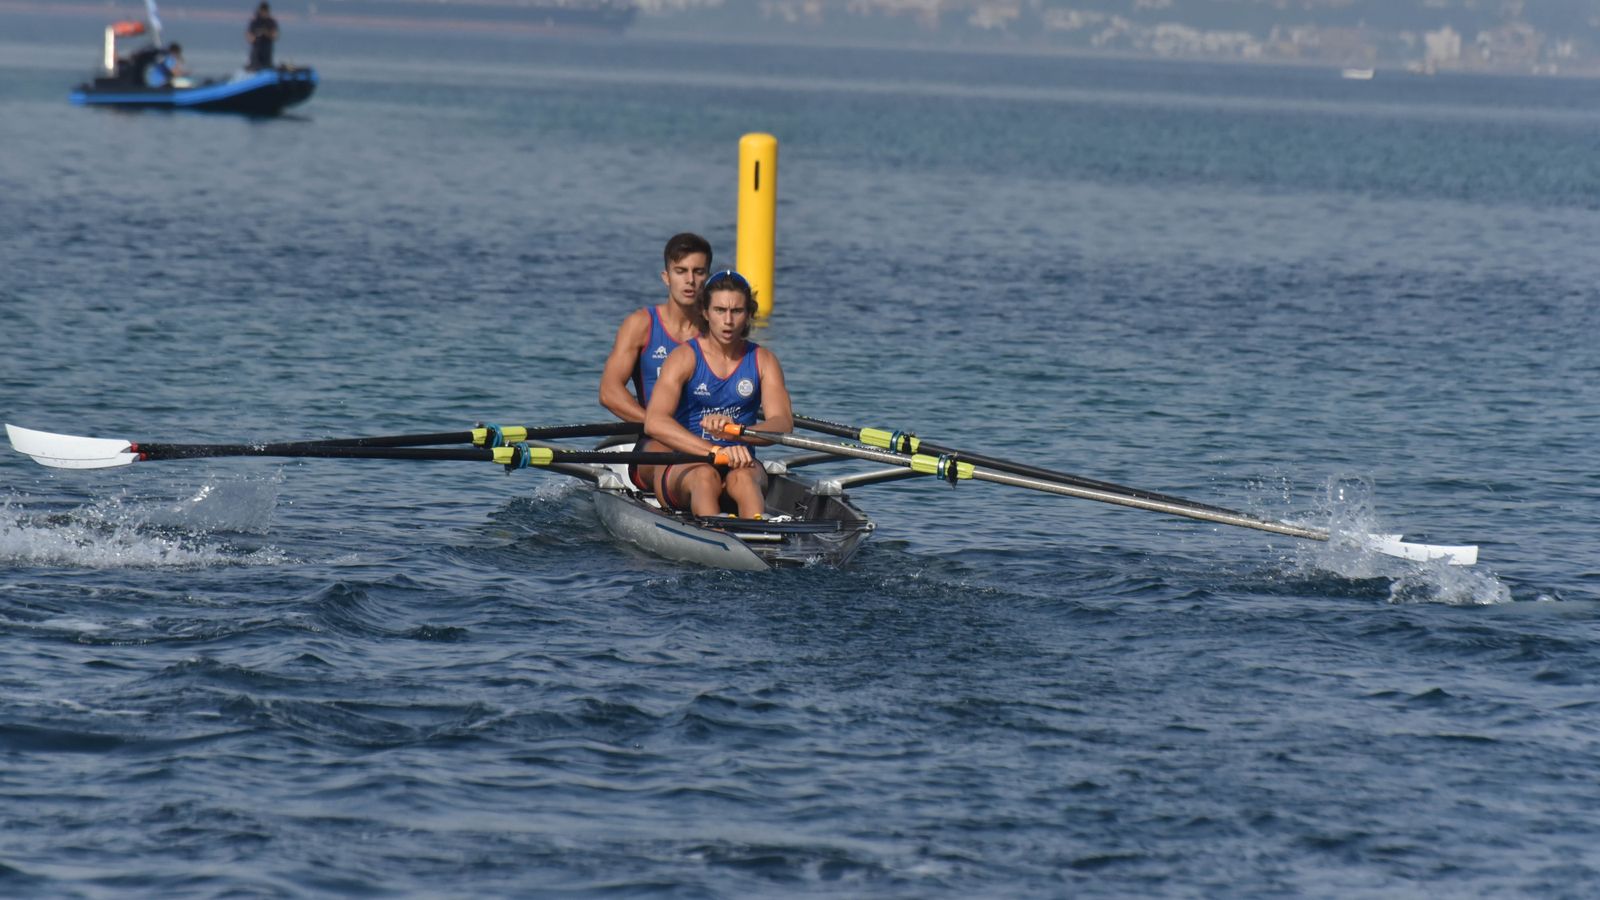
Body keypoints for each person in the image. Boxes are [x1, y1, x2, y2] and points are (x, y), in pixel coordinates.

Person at [643, 270, 792, 518]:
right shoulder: (683, 358)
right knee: (705, 476)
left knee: (745, 479)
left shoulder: (764, 361)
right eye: (720, 310)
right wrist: (714, 451)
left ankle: (759, 534)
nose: (728, 320)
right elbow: (655, 422)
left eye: (737, 311)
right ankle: (713, 531)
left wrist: (738, 432)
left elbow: (782, 423)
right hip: (687, 463)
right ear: (705, 312)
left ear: (748, 314)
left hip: (740, 464)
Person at [599, 232, 710, 492]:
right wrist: (657, 424)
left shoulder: (717, 330)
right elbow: (609, 392)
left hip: (706, 437)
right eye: (681, 271)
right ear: (666, 277)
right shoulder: (641, 325)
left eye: (698, 272)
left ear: (707, 277)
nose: (690, 280)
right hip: (656, 442)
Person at [246, 2, 279, 71]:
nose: (264, 13)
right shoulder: (255, 22)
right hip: (256, 51)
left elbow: (275, 36)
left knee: (267, 67)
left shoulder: (271, 22)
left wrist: (266, 33)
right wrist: (257, 35)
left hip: (267, 51)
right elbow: (249, 37)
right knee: (254, 66)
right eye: (262, 11)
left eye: (265, 11)